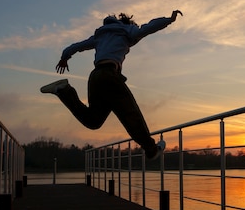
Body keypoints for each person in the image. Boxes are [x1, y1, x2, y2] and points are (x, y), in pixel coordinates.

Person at [40, 10, 183, 160]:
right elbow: (148, 28)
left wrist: (64, 57)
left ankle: (63, 91)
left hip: (95, 77)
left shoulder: (100, 35)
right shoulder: (128, 31)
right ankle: (151, 149)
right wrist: (169, 19)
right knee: (130, 113)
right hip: (110, 76)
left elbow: (77, 46)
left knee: (94, 120)